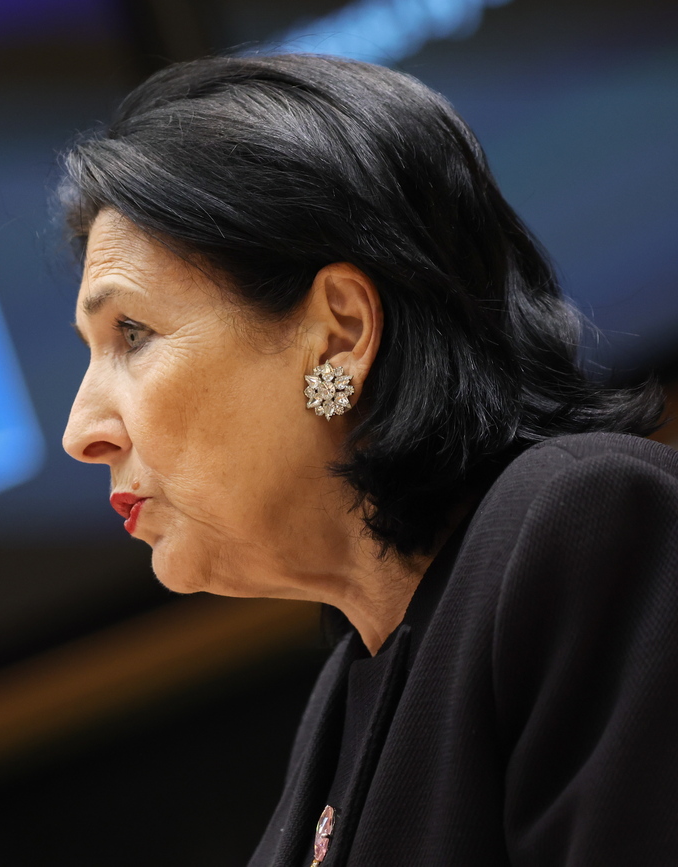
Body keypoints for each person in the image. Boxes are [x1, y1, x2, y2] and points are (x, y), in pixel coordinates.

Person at [57, 53, 678, 865]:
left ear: (340, 334)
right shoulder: (341, 703)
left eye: (132, 334)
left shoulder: (585, 526)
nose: (81, 431)